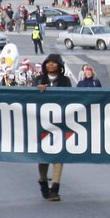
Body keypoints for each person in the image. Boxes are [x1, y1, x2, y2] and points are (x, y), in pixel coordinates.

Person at [33, 53, 71, 201]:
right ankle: (43, 181)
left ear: (59, 65)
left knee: (58, 155)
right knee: (43, 156)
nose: (51, 65)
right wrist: (38, 90)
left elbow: (72, 98)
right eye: (48, 62)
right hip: (42, 123)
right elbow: (29, 98)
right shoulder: (38, 80)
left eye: (54, 63)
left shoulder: (65, 81)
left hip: (60, 123)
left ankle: (55, 188)